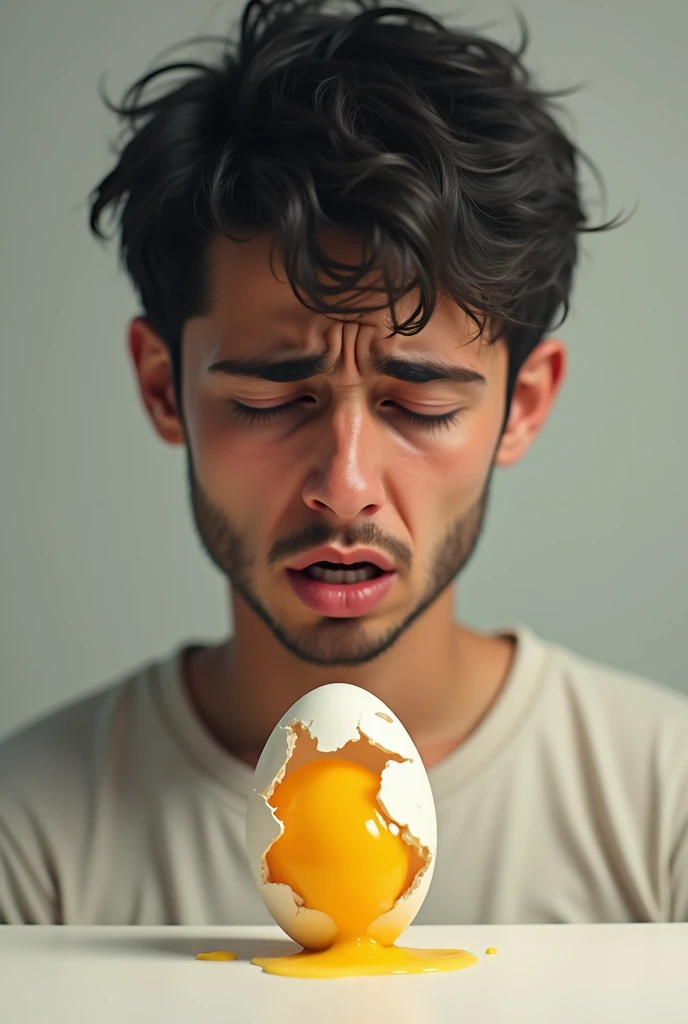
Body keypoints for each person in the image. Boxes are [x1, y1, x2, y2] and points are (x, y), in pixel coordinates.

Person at [1, 0, 687, 927]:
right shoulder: (30, 842)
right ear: (163, 389)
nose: (347, 484)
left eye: (421, 405)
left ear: (521, 407)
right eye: (270, 400)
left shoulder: (663, 811)